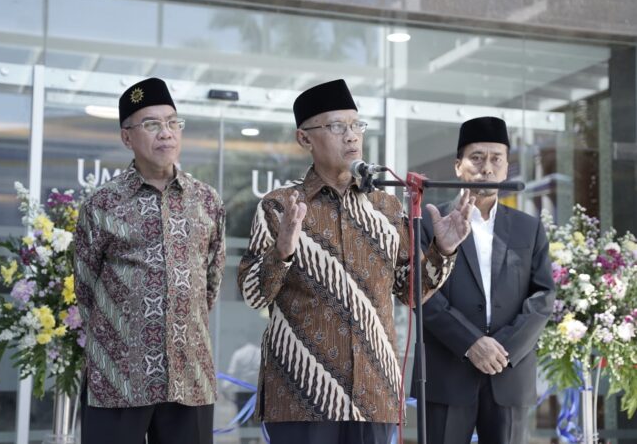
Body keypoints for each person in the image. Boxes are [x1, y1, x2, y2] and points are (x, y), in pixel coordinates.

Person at [237, 79, 475, 444]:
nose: (351, 136)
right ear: (305, 138)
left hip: (374, 392)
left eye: (356, 125)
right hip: (302, 394)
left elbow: (411, 293)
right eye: (337, 126)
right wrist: (282, 250)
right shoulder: (279, 205)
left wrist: (442, 251)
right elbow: (254, 295)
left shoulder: (387, 207)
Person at [74, 77, 226, 444]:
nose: (166, 133)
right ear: (127, 137)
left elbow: (211, 283)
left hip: (190, 376)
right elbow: (86, 288)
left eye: (173, 123)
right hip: (119, 378)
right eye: (152, 124)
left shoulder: (206, 201)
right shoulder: (102, 205)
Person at [412, 116, 556, 444]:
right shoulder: (429, 223)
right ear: (458, 165)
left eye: (496, 159)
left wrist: (501, 349)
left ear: (507, 167)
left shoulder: (528, 228)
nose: (486, 168)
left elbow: (543, 295)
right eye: (477, 158)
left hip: (509, 372)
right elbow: (422, 294)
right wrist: (471, 343)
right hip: (447, 372)